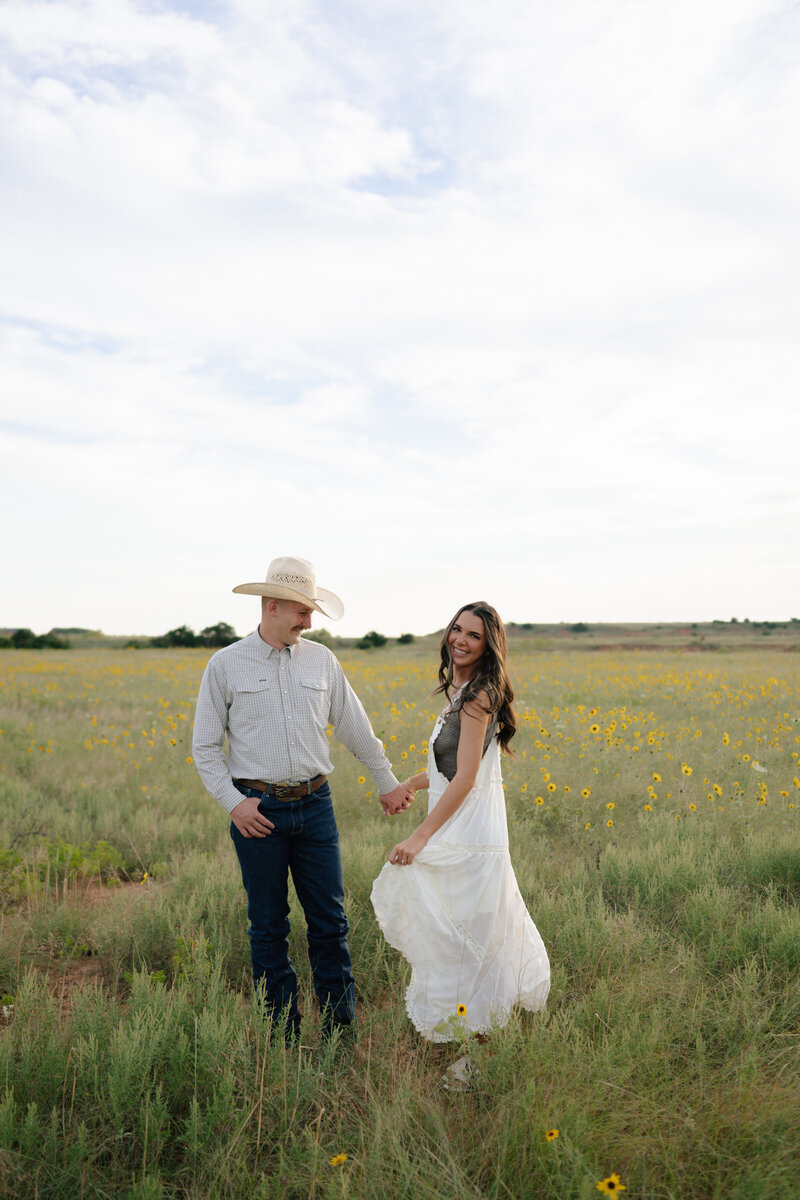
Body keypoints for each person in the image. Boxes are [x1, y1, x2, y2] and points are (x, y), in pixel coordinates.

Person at [192, 556, 412, 1044]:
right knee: (268, 927)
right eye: (302, 611)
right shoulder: (225, 665)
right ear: (272, 607)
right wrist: (234, 803)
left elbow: (355, 727)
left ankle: (339, 1033)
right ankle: (282, 1036)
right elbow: (205, 748)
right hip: (257, 812)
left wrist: (387, 781)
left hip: (316, 807)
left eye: (311, 612)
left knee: (330, 923)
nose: (309, 622)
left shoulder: (322, 661)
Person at [371, 601, 550, 1049]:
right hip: (462, 821)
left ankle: (478, 1041)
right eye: (457, 629)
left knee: (469, 932)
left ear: (489, 645)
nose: (460, 640)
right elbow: (454, 765)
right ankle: (470, 1028)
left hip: (472, 831)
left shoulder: (480, 695)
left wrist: (419, 836)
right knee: (461, 932)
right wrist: (413, 783)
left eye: (473, 635)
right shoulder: (461, 689)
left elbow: (469, 777)